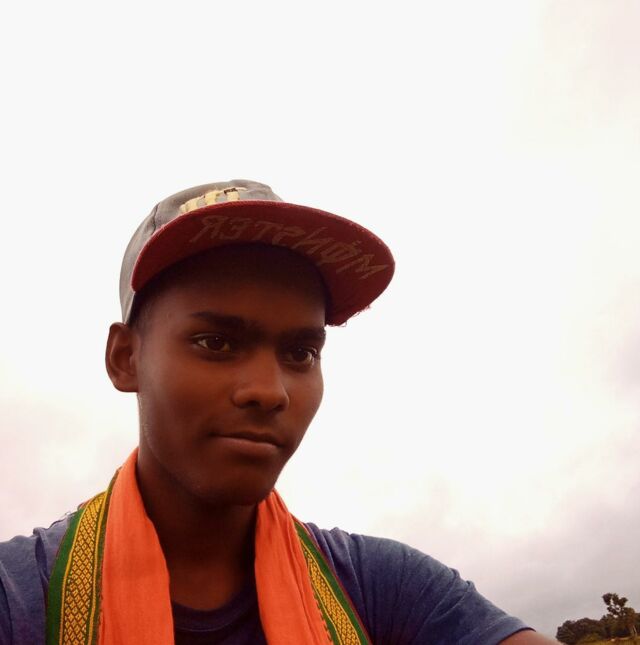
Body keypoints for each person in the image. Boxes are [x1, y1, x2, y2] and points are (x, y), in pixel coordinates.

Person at [0, 180, 557, 644]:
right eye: (217, 342)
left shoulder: (386, 591)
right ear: (125, 359)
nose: (270, 392)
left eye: (301, 353)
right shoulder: (20, 598)